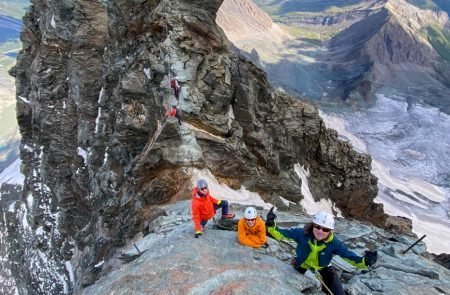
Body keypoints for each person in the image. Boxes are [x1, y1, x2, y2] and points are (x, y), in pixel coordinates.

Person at [266, 209, 377, 295]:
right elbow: (282, 234)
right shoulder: (302, 234)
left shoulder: (334, 243)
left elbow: (349, 256)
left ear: (330, 231)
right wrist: (271, 225)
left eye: (325, 229)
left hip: (324, 268)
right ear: (313, 225)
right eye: (318, 227)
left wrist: (365, 261)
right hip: (301, 265)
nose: (320, 231)